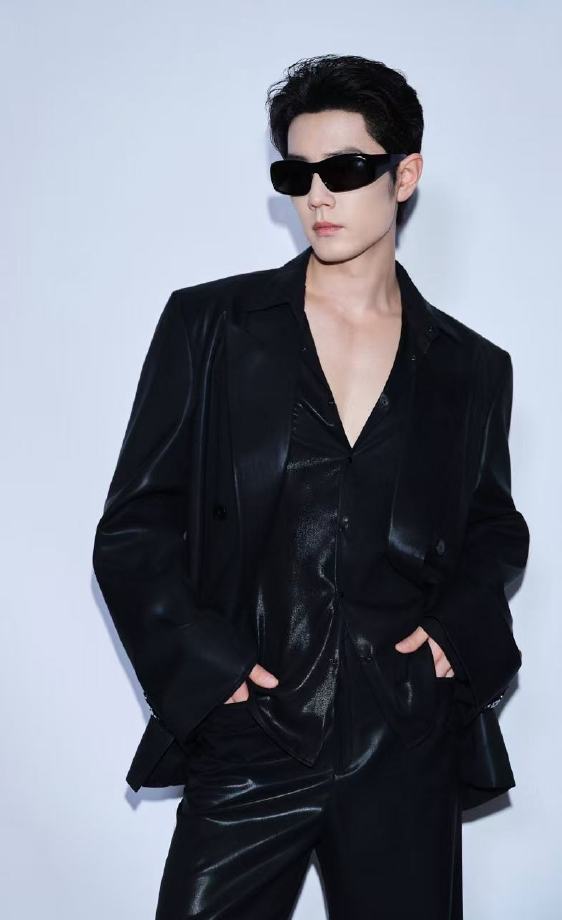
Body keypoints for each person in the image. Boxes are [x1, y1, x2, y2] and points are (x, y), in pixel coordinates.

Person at [92, 54, 529, 919]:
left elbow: (493, 528)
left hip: (405, 742)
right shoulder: (211, 327)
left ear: (405, 175)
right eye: (296, 174)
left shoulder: (471, 368)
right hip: (252, 737)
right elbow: (134, 526)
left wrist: (457, 631)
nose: (318, 196)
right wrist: (208, 669)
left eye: (346, 169)